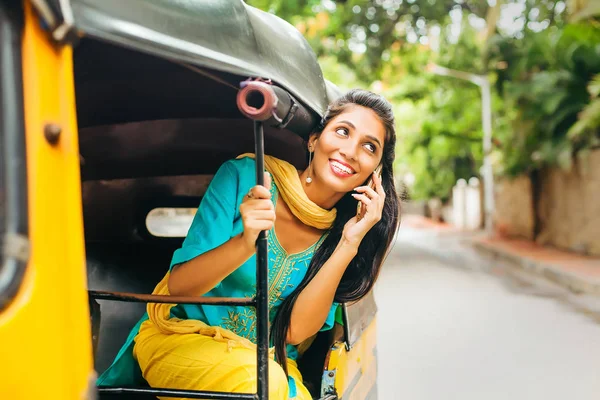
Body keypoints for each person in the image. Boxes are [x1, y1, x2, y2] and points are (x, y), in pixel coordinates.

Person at [97, 89, 400, 399]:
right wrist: (245, 242)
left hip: (271, 362)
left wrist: (349, 242)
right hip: (180, 340)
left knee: (277, 386)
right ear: (314, 139)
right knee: (263, 384)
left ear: (374, 172)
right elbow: (180, 287)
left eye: (368, 147)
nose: (350, 151)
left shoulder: (342, 234)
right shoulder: (244, 177)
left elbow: (295, 332)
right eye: (342, 131)